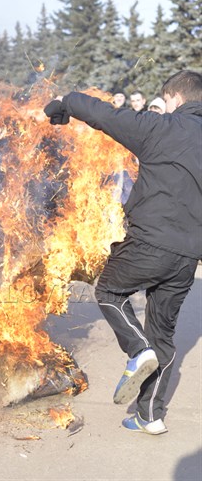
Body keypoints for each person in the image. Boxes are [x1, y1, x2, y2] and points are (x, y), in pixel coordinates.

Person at [43, 70, 202, 435]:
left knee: (110, 291)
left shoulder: (161, 128)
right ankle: (150, 416)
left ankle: (137, 349)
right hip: (187, 255)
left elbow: (105, 115)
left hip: (150, 240)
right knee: (163, 332)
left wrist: (67, 101)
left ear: (175, 98)